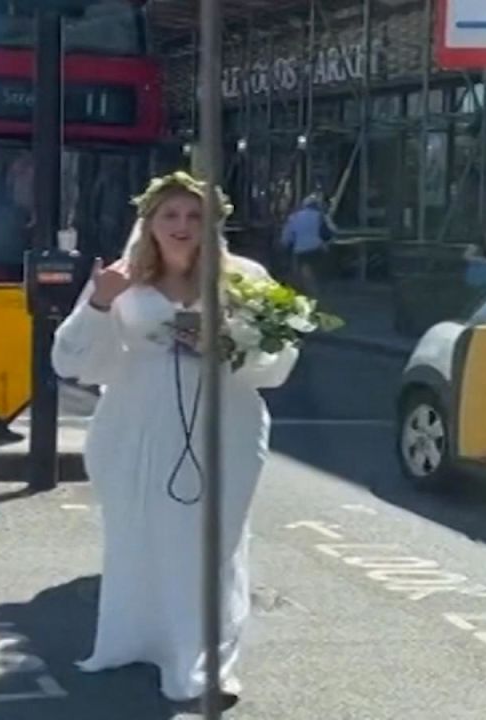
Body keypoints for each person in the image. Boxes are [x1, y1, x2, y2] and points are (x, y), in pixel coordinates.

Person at [51, 171, 300, 708]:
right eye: (171, 215)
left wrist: (227, 344)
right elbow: (73, 360)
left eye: (194, 216)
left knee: (215, 537)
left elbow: (278, 360)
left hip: (226, 423)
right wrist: (98, 303)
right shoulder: (122, 280)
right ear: (150, 222)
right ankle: (140, 638)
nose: (182, 226)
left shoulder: (245, 280)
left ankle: (202, 653)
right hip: (134, 426)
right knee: (141, 533)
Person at [279, 192, 331, 297]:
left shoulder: (294, 217)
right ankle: (318, 293)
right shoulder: (321, 216)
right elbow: (331, 231)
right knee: (317, 275)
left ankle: (308, 295)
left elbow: (286, 237)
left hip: (301, 251)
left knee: (303, 274)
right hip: (318, 249)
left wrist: (285, 246)